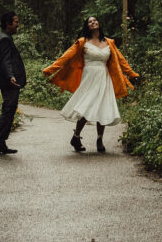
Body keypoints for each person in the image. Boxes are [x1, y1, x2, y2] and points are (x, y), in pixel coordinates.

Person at [42, 16, 139, 153]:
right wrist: (50, 69)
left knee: (102, 107)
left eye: (95, 20)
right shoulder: (83, 42)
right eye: (90, 21)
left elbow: (121, 60)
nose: (93, 22)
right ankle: (76, 136)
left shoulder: (109, 42)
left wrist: (131, 73)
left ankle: (99, 139)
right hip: (89, 78)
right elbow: (66, 56)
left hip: (104, 77)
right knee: (86, 107)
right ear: (87, 26)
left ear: (99, 24)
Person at [0, 11, 26, 156]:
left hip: (10, 81)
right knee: (8, 110)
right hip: (9, 82)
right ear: (8, 24)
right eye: (16, 21)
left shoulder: (6, 37)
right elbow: (5, 61)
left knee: (10, 109)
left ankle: (0, 144)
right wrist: (11, 77)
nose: (17, 24)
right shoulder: (4, 39)